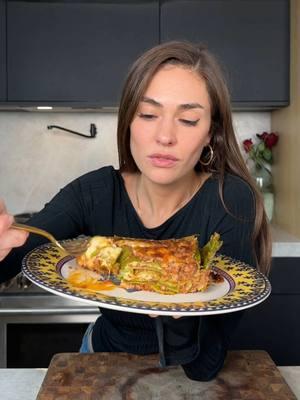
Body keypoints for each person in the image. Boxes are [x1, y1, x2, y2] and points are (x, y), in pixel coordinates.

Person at [0, 41, 271, 381]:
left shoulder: (230, 200)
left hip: (185, 375)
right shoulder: (95, 192)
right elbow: (16, 250)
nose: (164, 136)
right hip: (98, 360)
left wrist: (179, 318)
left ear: (210, 136)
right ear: (128, 121)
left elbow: (205, 366)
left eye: (188, 120)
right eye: (147, 114)